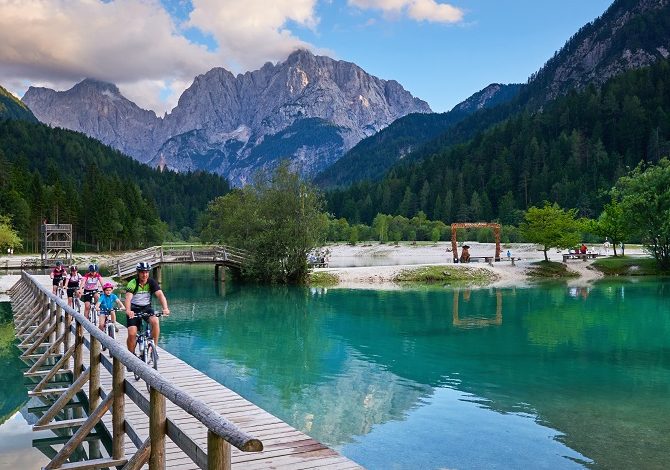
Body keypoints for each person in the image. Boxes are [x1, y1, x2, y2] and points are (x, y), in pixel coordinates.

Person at [124, 262, 170, 356]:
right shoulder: (132, 283)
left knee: (155, 321)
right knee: (132, 333)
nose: (144, 274)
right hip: (134, 309)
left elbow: (160, 295)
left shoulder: (151, 282)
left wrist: (165, 308)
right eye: (142, 272)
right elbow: (128, 298)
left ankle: (153, 349)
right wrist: (128, 310)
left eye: (146, 272)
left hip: (146, 308)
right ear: (138, 273)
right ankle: (131, 355)